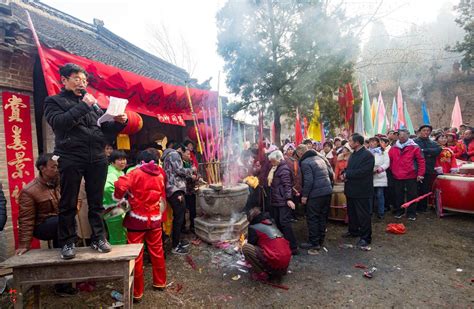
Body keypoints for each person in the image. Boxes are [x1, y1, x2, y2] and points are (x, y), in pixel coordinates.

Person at [43, 63, 127, 259]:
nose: (82, 83)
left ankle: (98, 238)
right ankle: (67, 242)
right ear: (64, 80)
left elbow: (105, 132)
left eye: (84, 80)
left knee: (96, 202)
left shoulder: (94, 105)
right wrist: (84, 106)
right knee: (68, 202)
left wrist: (120, 123)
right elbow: (59, 123)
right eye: (77, 79)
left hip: (97, 156)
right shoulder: (53, 101)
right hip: (71, 156)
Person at [16, 154, 76, 296]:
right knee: (63, 225)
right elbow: (26, 219)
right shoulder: (29, 191)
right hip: (42, 226)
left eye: (58, 166)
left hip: (59, 224)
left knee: (62, 241)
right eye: (53, 167)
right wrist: (24, 244)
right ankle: (62, 284)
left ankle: (64, 283)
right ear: (42, 168)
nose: (57, 169)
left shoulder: (60, 182)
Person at [114, 150, 167, 302]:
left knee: (136, 257)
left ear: (140, 162)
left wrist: (120, 197)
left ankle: (136, 293)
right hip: (155, 219)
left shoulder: (135, 173)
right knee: (157, 251)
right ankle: (160, 283)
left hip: (137, 221)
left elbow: (120, 185)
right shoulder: (160, 175)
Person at [297, 144, 333, 251]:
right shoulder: (320, 158)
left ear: (300, 153)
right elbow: (331, 173)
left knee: (313, 217)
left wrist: (304, 195)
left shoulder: (305, 162)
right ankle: (320, 239)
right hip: (327, 191)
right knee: (322, 216)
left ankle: (314, 242)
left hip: (315, 194)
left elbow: (309, 181)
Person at [341, 133, 374, 249]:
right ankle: (353, 230)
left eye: (350, 141)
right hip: (351, 188)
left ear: (357, 143)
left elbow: (364, 171)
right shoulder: (353, 154)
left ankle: (365, 237)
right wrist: (343, 173)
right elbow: (349, 168)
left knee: (363, 214)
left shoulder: (368, 155)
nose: (349, 143)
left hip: (362, 190)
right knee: (352, 212)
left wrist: (347, 174)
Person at [242, 207, 292, 281]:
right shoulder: (271, 222)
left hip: (276, 261)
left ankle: (262, 274)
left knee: (246, 248)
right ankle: (279, 271)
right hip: (285, 261)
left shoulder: (253, 227)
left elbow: (251, 243)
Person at [162, 144, 193, 254]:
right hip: (175, 190)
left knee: (179, 217)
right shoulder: (175, 155)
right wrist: (191, 170)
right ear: (182, 151)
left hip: (172, 189)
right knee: (179, 218)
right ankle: (175, 246)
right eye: (187, 153)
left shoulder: (168, 155)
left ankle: (177, 241)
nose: (188, 156)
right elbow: (179, 170)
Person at [389, 129, 425, 220]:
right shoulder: (393, 147)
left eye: (404, 135)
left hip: (411, 175)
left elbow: (421, 161)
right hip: (397, 175)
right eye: (400, 135)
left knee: (412, 194)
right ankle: (399, 211)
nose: (402, 137)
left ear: (408, 135)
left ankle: (411, 213)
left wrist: (420, 174)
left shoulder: (415, 147)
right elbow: (390, 160)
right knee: (398, 194)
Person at [267, 150, 298, 255]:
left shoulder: (283, 169)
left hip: (282, 200)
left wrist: (288, 199)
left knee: (284, 223)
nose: (272, 163)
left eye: (273, 161)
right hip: (276, 200)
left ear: (279, 159)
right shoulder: (275, 168)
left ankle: (293, 247)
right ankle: (285, 244)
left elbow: (287, 185)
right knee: (279, 222)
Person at [414, 125, 441, 212]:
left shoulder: (433, 143)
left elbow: (438, 150)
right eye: (424, 130)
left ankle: (423, 207)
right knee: (416, 189)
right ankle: (415, 206)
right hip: (416, 169)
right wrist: (428, 153)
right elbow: (415, 153)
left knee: (425, 188)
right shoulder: (414, 142)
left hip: (428, 169)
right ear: (420, 131)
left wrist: (424, 151)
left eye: (428, 131)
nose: (426, 132)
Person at [103, 150, 128, 245]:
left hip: (118, 207)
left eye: (124, 159)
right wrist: (120, 199)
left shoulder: (119, 171)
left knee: (120, 233)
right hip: (113, 208)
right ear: (112, 161)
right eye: (120, 160)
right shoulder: (111, 173)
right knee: (117, 234)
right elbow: (107, 189)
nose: (123, 162)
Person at [368, 137, 390, 219]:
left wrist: (380, 169)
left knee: (380, 194)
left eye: (373, 142)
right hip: (369, 176)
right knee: (369, 195)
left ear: (377, 143)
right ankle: (369, 211)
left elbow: (387, 163)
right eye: (370, 142)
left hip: (380, 176)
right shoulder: (367, 152)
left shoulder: (383, 152)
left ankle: (381, 212)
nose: (371, 143)